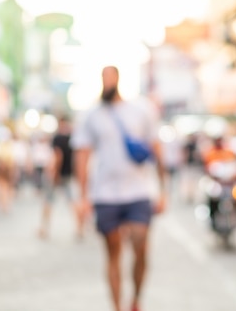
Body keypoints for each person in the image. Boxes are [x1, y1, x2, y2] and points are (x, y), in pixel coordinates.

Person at [71, 65, 168, 311]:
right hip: (105, 194)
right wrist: (82, 197)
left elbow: (156, 149)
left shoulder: (141, 109)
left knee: (140, 244)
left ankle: (135, 298)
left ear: (117, 80)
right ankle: (117, 306)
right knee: (113, 253)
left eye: (109, 77)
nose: (106, 82)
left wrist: (163, 190)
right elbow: (81, 156)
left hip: (138, 192)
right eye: (102, 77)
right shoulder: (91, 115)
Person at [38, 115, 77, 239]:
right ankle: (79, 226)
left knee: (48, 201)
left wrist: (54, 173)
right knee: (71, 201)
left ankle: (44, 228)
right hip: (68, 174)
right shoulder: (72, 138)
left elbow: (57, 156)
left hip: (58, 174)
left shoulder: (58, 138)